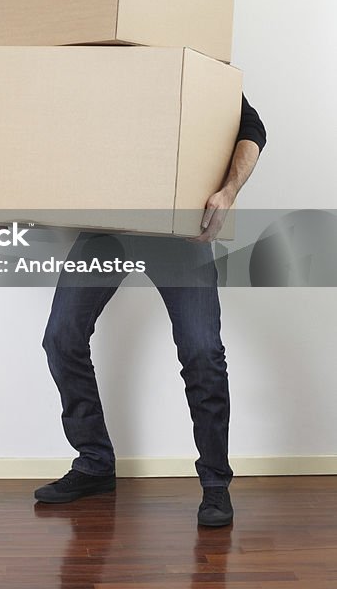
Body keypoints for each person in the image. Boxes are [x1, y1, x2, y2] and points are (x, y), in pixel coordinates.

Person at [34, 92, 267, 527]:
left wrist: (227, 191)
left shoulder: (195, 59)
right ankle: (94, 463)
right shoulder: (102, 60)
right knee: (61, 338)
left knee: (202, 353)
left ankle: (215, 483)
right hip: (109, 226)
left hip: (181, 230)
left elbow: (251, 128)